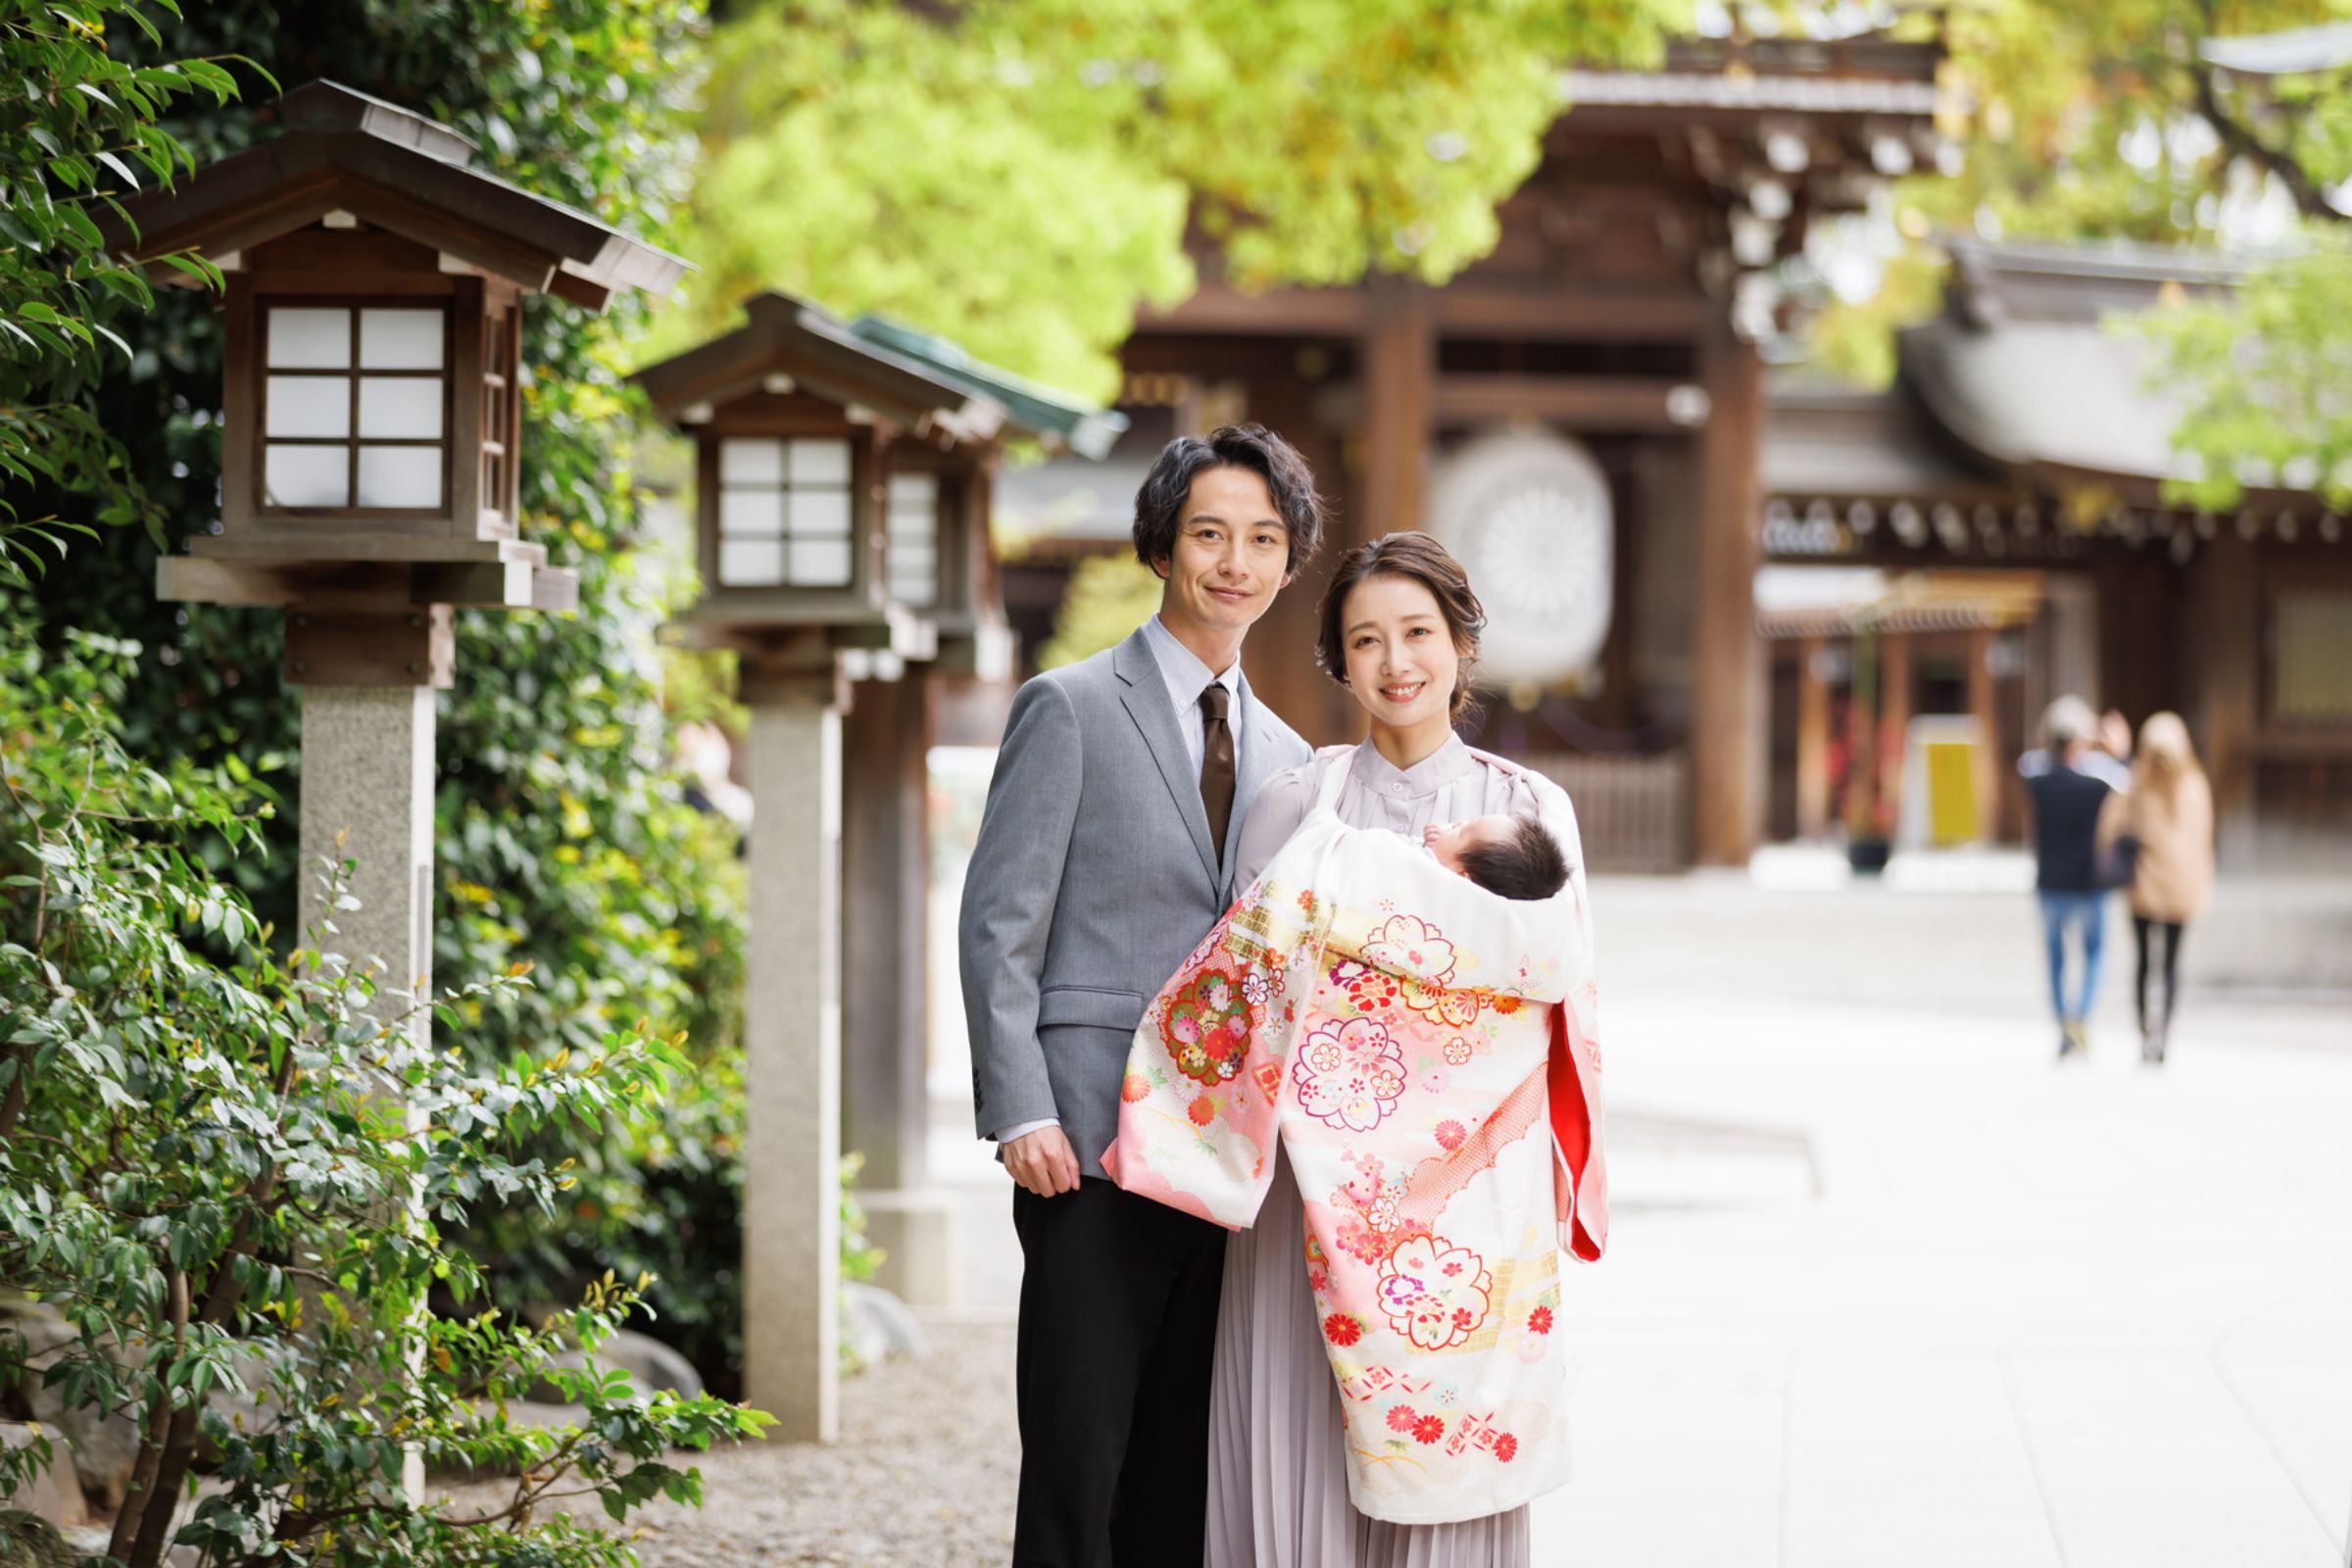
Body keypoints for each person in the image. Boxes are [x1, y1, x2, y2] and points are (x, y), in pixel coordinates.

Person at [1195, 530, 1601, 1568]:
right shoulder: (1297, 800)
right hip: (1311, 1178)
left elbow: (1546, 984)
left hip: (1460, 1189)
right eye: (1366, 640)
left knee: (1441, 1437)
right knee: (1298, 1423)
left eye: (1418, 632)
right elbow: (1251, 968)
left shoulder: (1526, 807)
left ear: (1463, 643)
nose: (1396, 662)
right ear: (1339, 658)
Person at [958, 423, 1324, 1568]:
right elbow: (998, 921)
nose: (1237, 562)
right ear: (1161, 544)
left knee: (1182, 1464)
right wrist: (1020, 1109)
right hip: (1089, 1138)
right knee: (1076, 1456)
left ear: (1288, 560)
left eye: (1264, 539)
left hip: (1224, 1162)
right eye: (1210, 532)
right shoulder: (1068, 706)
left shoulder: (1290, 755)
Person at [2019, 695, 2130, 1059]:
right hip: (2087, 882)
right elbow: (2125, 780)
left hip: (2050, 882)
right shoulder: (2096, 784)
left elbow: (2030, 760)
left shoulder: (2036, 778)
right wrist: (2115, 748)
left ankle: (2064, 1022)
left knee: (2055, 957)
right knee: (2094, 953)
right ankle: (2080, 1016)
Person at [2113, 711, 2213, 1064]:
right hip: (2181, 889)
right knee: (2169, 964)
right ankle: (2163, 1034)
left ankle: (2145, 1033)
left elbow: (2109, 827)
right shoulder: (2195, 786)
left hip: (2143, 886)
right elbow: (2204, 842)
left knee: (2144, 961)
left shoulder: (2135, 782)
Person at [1427, 811, 1571, 902]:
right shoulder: (1435, 857)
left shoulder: (1429, 879)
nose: (1458, 823)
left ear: (1463, 877)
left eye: (1461, 833)